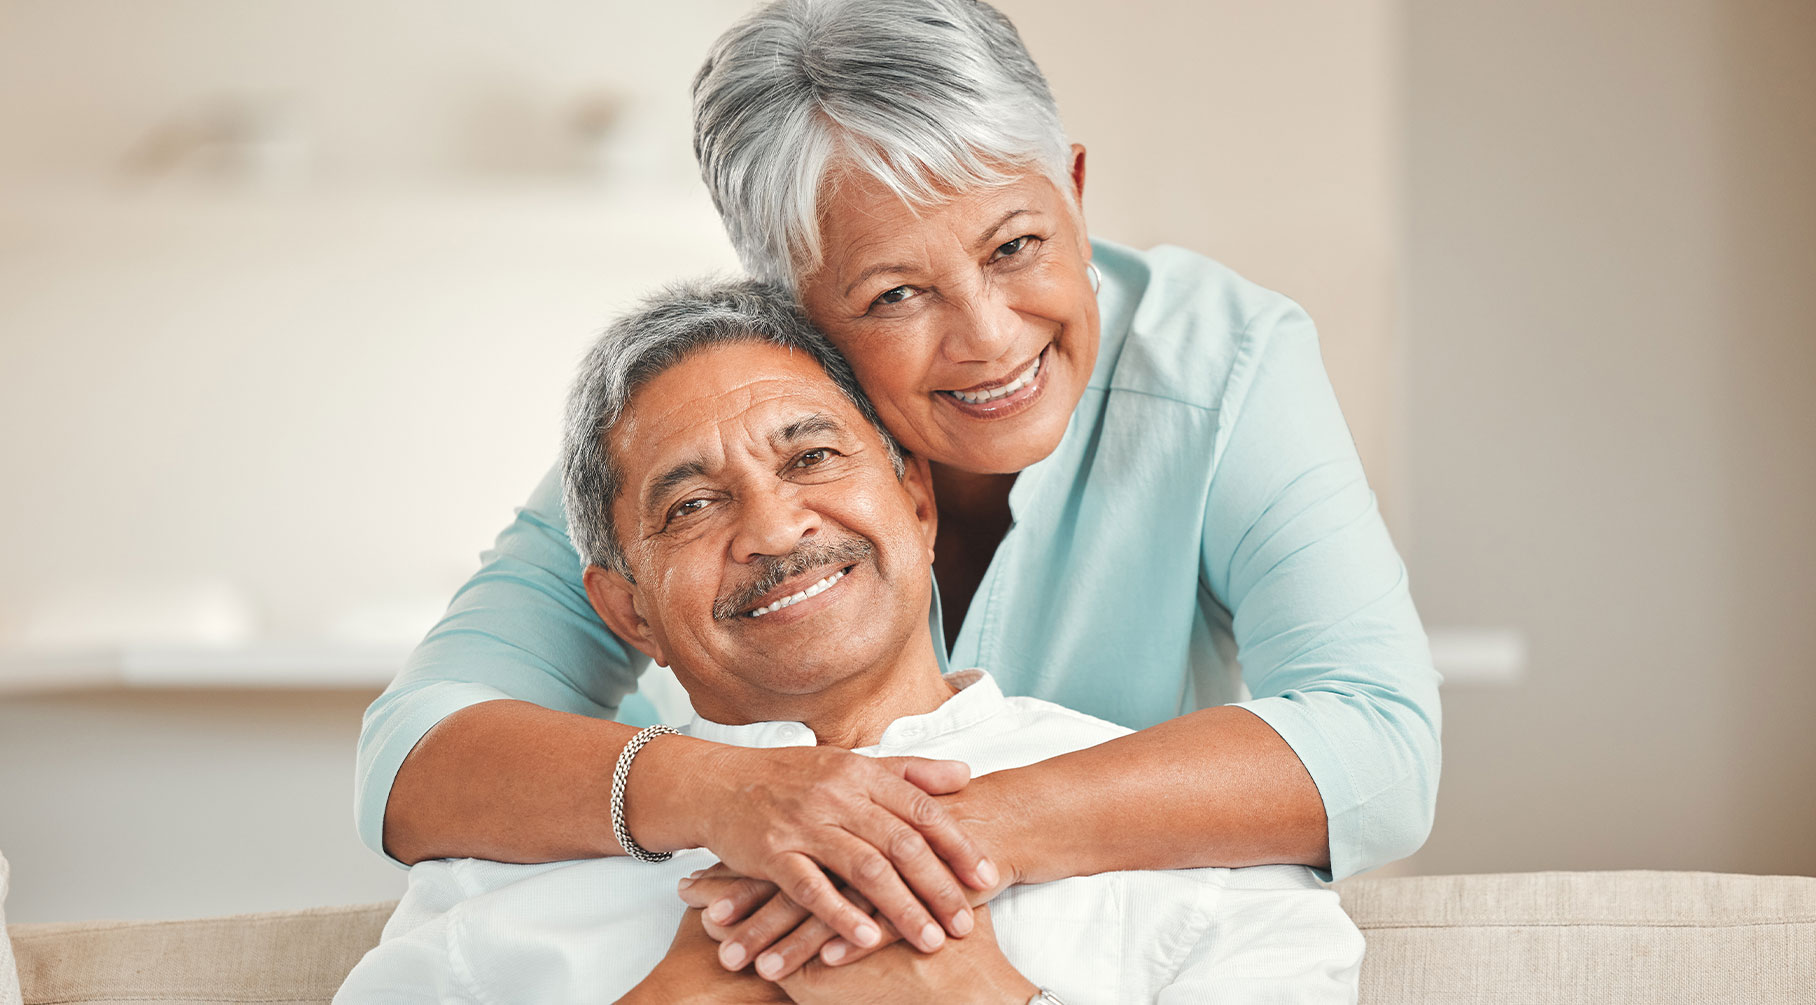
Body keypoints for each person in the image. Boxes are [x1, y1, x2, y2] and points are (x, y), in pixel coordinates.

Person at [357, 0, 1439, 981]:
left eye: (1016, 245)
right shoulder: (709, 422)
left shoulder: (1224, 361)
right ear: (793, 310)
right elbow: (416, 756)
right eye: (895, 293)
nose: (988, 335)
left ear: (1070, 185)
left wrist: (898, 844)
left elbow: (1378, 745)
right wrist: (734, 800)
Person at [333, 281, 1364, 1005]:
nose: (777, 530)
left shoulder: (1202, 872)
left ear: (916, 501)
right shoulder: (493, 883)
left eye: (812, 456)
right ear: (628, 611)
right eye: (691, 505)